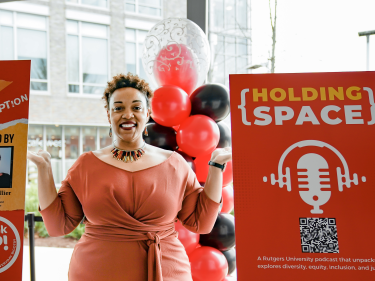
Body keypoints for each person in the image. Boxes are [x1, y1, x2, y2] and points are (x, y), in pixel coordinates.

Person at [27, 73, 232, 281]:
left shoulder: (175, 163)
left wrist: (216, 167)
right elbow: (57, 226)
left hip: (167, 271)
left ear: (147, 112)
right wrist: (44, 170)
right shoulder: (85, 165)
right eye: (118, 108)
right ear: (109, 115)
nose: (127, 114)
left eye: (136, 107)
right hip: (95, 273)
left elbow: (201, 223)